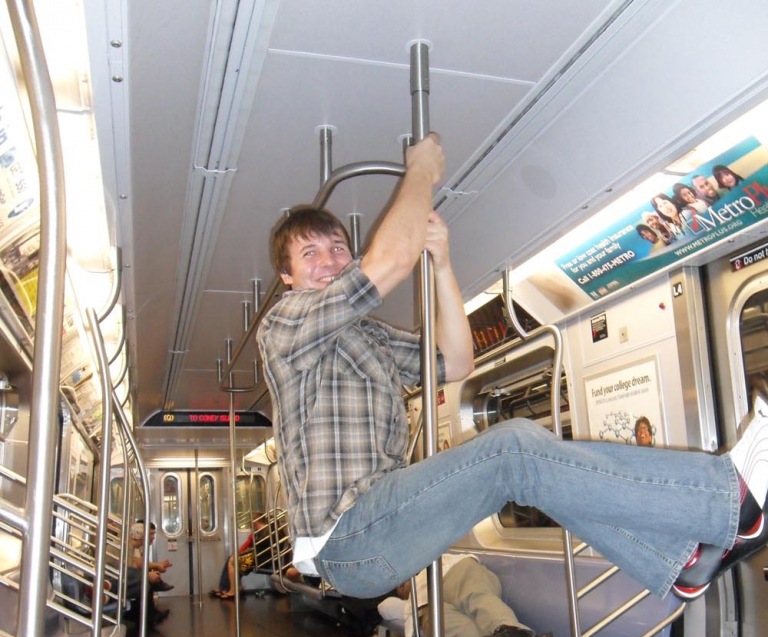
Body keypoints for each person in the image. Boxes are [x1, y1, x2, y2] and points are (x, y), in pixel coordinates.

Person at [257, 132, 768, 607]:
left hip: (377, 524)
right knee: (512, 450)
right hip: (347, 534)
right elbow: (390, 261)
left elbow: (458, 362)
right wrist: (421, 172)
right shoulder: (284, 324)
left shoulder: (366, 336)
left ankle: (681, 561)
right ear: (287, 276)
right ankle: (727, 497)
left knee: (534, 464)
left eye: (338, 248)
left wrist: (442, 264)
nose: (330, 260)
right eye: (310, 254)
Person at [378, 554, 555, 637]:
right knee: (440, 628)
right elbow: (385, 607)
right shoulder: (416, 605)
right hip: (432, 602)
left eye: (402, 584)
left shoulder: (429, 563)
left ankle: (512, 631)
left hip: (453, 573)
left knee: (475, 597)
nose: (402, 588)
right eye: (400, 590)